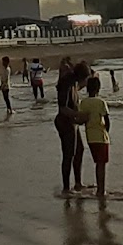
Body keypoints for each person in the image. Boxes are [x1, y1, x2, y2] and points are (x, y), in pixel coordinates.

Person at [54, 62, 89, 194]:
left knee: (79, 150)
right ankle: (66, 187)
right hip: (64, 122)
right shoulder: (67, 85)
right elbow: (63, 108)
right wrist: (79, 115)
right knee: (69, 155)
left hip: (71, 122)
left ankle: (78, 183)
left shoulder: (74, 84)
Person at [78, 75, 111, 199]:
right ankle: (101, 190)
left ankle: (100, 189)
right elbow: (107, 120)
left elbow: (82, 119)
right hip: (101, 136)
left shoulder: (84, 102)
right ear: (98, 88)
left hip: (90, 136)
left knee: (98, 163)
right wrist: (107, 132)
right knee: (101, 164)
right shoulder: (101, 102)